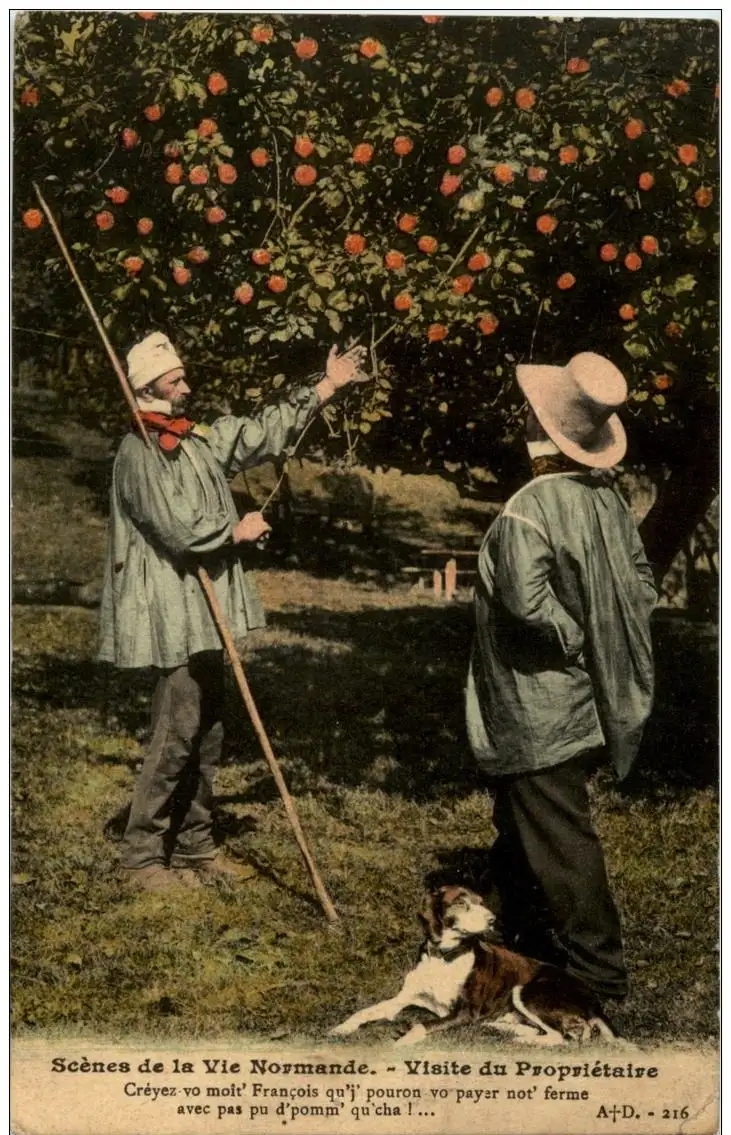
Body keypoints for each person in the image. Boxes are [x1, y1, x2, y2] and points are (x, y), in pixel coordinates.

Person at [98, 331, 368, 892]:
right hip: (170, 610)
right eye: (176, 380)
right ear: (148, 388)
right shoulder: (138, 453)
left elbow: (257, 432)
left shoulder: (194, 437)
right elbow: (177, 528)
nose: (187, 386)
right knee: (177, 730)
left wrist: (326, 387)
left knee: (209, 731)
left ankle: (195, 845)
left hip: (202, 609)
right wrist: (234, 531)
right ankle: (141, 856)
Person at [465, 351, 657, 1003]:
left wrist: (573, 637)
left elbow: (525, 603)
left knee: (558, 833)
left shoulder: (529, 509)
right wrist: (604, 639)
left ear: (538, 430)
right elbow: (642, 584)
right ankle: (509, 938)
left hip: (537, 702)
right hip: (580, 698)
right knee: (523, 819)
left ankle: (597, 971)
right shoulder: (606, 499)